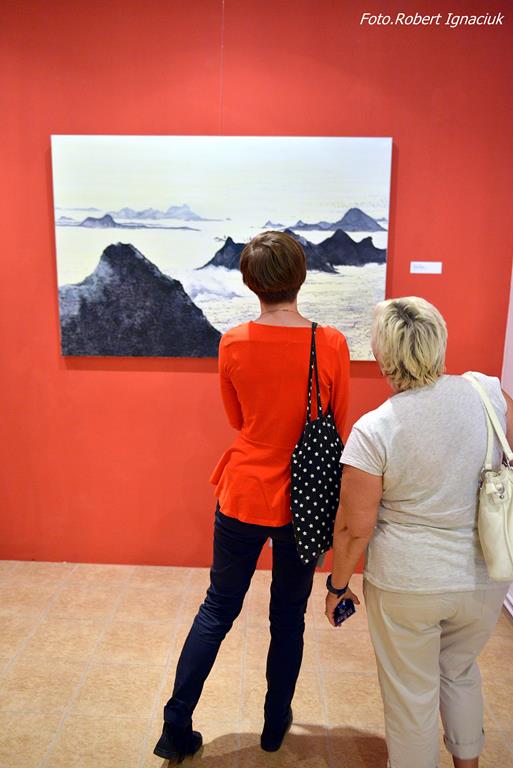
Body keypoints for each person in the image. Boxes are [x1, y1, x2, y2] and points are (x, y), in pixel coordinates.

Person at [154, 231, 350, 761]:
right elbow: (337, 425)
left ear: (249, 283)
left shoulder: (233, 342)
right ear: (301, 277)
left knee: (217, 608)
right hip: (303, 503)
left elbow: (237, 418)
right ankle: (273, 725)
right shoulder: (331, 343)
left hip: (243, 491)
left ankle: (176, 726)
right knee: (287, 618)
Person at [324, 296, 513, 768]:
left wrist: (337, 586)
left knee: (412, 695)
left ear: (382, 355)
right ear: (439, 339)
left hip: (407, 584)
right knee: (460, 672)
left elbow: (353, 528)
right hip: (484, 574)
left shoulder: (374, 429)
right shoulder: (488, 393)